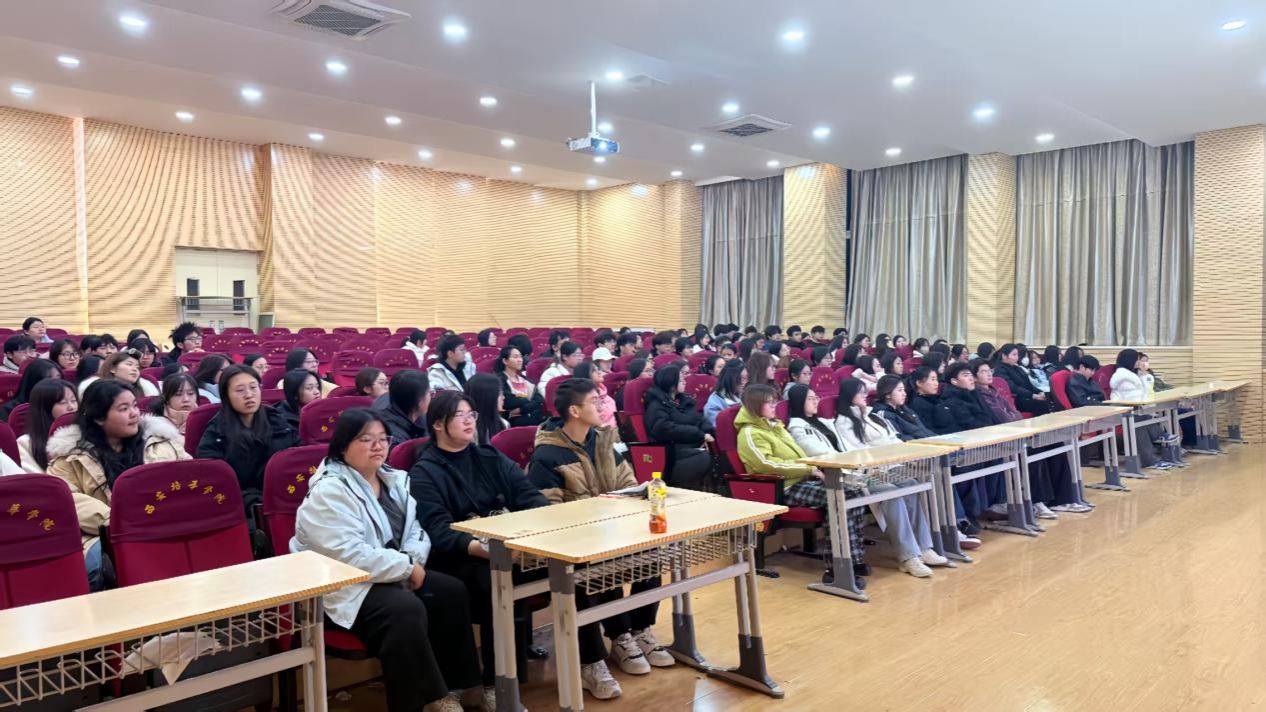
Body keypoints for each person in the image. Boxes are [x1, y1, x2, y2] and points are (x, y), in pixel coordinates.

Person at [411, 392, 625, 701]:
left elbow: (528, 495)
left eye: (472, 414)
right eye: (461, 415)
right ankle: (495, 684)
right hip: (463, 556)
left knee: (570, 565)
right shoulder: (425, 472)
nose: (470, 421)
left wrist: (540, 525)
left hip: (511, 545)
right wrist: (482, 548)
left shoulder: (489, 456)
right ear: (438, 424)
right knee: (493, 582)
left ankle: (590, 661)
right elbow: (438, 531)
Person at [291, 409, 482, 712]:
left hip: (391, 573)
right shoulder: (328, 491)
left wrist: (411, 562)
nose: (378, 446)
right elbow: (347, 555)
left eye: (383, 439)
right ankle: (424, 700)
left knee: (450, 591)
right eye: (366, 439)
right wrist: (406, 567)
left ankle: (462, 687)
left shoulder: (394, 479)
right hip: (343, 585)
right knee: (403, 609)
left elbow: (416, 530)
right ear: (343, 446)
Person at [527, 379, 674, 676]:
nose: (603, 406)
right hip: (575, 541)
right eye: (595, 401)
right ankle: (601, 651)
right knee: (592, 568)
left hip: (611, 530)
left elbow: (628, 483)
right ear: (574, 411)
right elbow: (548, 513)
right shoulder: (547, 455)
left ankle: (639, 629)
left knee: (652, 551)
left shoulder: (604, 441)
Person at [47, 379, 188, 590]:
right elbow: (68, 500)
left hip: (166, 524)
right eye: (123, 409)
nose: (134, 413)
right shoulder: (69, 458)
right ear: (99, 417)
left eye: (134, 406)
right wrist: (121, 523)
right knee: (101, 565)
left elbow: (190, 480)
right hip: (103, 535)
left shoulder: (160, 444)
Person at [806, 381, 948, 577]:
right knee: (891, 493)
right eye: (860, 393)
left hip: (887, 467)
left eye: (865, 392)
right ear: (849, 396)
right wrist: (878, 465)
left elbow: (892, 440)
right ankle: (908, 557)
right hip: (864, 475)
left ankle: (924, 548)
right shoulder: (844, 422)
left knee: (911, 484)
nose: (865, 395)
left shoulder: (872, 416)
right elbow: (857, 452)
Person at [872, 374, 979, 550]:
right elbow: (901, 439)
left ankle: (956, 523)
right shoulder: (882, 414)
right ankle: (948, 527)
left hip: (928, 451)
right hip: (908, 459)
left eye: (904, 390)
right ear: (887, 393)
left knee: (957, 467)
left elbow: (922, 430)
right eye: (899, 390)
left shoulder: (905, 409)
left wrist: (940, 441)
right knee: (939, 474)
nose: (904, 393)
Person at [970, 360, 1088, 517]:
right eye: (983, 371)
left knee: (1055, 445)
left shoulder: (994, 391)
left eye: (989, 370)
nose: (989, 374)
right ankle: (1036, 501)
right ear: (975, 377)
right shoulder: (978, 395)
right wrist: (1014, 421)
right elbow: (999, 417)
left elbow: (1014, 412)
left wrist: (1016, 420)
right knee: (1033, 450)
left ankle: (1062, 500)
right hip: (1002, 438)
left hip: (1016, 431)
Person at [781, 385, 869, 581]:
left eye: (816, 397)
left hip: (832, 472)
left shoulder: (822, 422)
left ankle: (854, 557)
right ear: (799, 402)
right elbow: (819, 453)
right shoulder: (796, 427)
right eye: (810, 398)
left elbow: (843, 446)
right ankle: (836, 565)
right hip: (805, 479)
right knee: (840, 497)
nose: (816, 401)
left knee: (855, 493)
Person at [197, 365, 299, 517]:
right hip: (242, 510)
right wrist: (250, 500)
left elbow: (296, 460)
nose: (249, 395)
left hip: (285, 500)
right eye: (240, 390)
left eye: (253, 387)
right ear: (226, 395)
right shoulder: (216, 433)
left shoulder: (278, 421)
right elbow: (213, 479)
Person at [642, 363, 714, 490]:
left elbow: (699, 419)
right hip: (672, 451)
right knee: (703, 458)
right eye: (681, 380)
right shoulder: (656, 405)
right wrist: (699, 434)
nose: (685, 382)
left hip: (693, 445)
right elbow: (664, 429)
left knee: (717, 454)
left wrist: (709, 431)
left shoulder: (684, 401)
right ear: (671, 384)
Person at [1110, 349, 1179, 470]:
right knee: (1139, 422)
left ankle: (1159, 439)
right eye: (1137, 360)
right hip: (1122, 411)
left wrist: (1143, 374)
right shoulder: (1122, 377)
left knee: (1142, 417)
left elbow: (1144, 391)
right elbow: (1134, 397)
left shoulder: (1132, 374)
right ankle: (1150, 457)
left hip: (1132, 409)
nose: (1139, 362)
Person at [15, 379, 78, 473]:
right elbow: (39, 479)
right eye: (63, 402)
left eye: (73, 400)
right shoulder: (26, 443)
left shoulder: (86, 434)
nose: (71, 407)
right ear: (45, 409)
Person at [376, 370, 430, 450]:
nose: (431, 397)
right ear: (419, 400)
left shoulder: (421, 418)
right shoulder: (392, 436)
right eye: (429, 393)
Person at [991, 344, 1053, 414]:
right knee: (1043, 405)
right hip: (1016, 399)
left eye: (1017, 355)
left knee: (1051, 397)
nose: (1017, 358)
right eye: (1014, 355)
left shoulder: (1015, 367)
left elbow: (1028, 383)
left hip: (1026, 396)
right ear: (1004, 356)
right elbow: (1013, 387)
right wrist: (1033, 396)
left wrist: (1039, 392)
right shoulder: (1000, 370)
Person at [495, 345, 544, 428]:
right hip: (512, 423)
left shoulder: (526, 380)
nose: (520, 360)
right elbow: (508, 401)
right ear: (505, 361)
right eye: (515, 357)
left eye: (520, 357)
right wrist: (528, 400)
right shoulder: (499, 379)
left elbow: (539, 399)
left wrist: (521, 409)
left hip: (534, 420)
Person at [148, 372, 198, 440]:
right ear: (166, 398)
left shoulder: (205, 418)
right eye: (178, 394)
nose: (186, 399)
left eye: (190, 393)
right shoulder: (157, 427)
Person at [95, 349, 161, 398]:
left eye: (137, 367)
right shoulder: (99, 392)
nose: (135, 369)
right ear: (113, 368)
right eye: (129, 364)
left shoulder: (146, 391)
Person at [571, 361, 618, 429]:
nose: (599, 372)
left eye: (598, 369)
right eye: (594, 371)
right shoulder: (585, 399)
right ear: (585, 375)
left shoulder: (603, 393)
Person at [463, 373, 507, 445]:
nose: (503, 397)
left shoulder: (503, 424)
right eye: (500, 394)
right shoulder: (468, 428)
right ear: (488, 397)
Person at [704, 359, 747, 428]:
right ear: (730, 378)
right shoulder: (714, 405)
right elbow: (722, 428)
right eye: (741, 378)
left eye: (747, 378)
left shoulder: (746, 394)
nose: (745, 382)